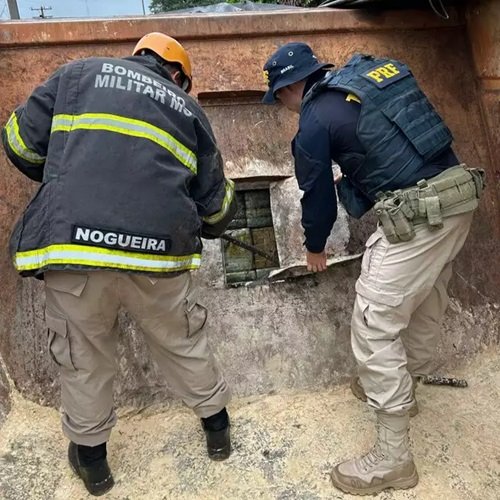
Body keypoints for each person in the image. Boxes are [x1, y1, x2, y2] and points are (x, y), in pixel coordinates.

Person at [2, 32, 237, 496]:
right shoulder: (188, 109)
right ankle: (218, 432)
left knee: (83, 359)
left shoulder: (76, 74)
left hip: (76, 250)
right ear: (177, 74)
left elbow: (20, 144)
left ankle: (94, 466)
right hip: (159, 258)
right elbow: (216, 207)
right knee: (183, 342)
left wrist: (68, 174)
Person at [262, 42, 484, 495]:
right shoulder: (364, 83)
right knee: (424, 300)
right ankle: (406, 388)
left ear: (288, 87)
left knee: (373, 322)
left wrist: (315, 247)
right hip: (458, 198)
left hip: (420, 215)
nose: (283, 106)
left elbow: (317, 196)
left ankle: (392, 459)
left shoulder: (313, 120)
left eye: (279, 97)